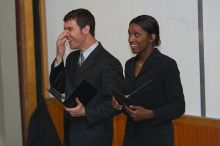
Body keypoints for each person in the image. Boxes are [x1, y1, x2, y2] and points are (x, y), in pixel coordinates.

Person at [49, 8, 123, 146]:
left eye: (70, 29)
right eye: (64, 30)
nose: (65, 35)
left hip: (94, 138)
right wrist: (59, 56)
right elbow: (58, 86)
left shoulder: (109, 63)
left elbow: (115, 105)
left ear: (86, 29)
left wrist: (86, 112)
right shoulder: (71, 58)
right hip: (70, 135)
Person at [112, 15, 185, 146]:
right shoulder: (129, 64)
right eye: (129, 34)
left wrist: (150, 114)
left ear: (152, 37)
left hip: (157, 138)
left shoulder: (166, 64)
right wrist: (119, 103)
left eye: (137, 34)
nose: (130, 39)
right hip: (131, 137)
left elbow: (178, 106)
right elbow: (131, 97)